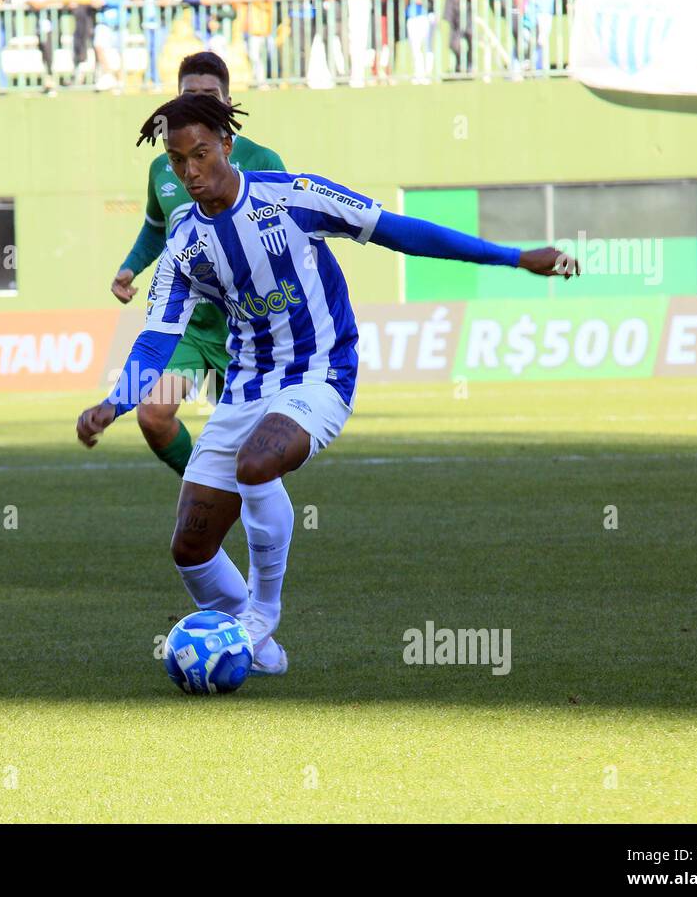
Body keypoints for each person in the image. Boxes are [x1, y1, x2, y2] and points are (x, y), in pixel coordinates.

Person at [78, 96, 577, 674]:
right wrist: (115, 403)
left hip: (320, 374)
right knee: (190, 550)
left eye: (201, 154)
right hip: (245, 388)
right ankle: (257, 650)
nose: (190, 171)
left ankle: (261, 615)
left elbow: (401, 231)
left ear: (227, 146)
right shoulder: (183, 245)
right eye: (178, 159)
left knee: (257, 462)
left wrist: (514, 257)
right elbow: (157, 336)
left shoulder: (293, 197)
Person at [111, 53, 285, 479]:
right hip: (186, 326)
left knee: (253, 455)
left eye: (210, 95)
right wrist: (131, 267)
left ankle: (242, 510)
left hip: (246, 328)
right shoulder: (161, 166)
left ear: (229, 100)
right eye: (191, 94)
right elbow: (157, 228)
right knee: (153, 414)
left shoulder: (262, 161)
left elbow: (286, 235)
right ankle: (203, 483)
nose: (201, 101)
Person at [134, 0, 174, 89]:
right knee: (150, 49)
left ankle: (155, 79)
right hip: (146, 19)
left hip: (160, 19)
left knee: (157, 49)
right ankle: (151, 78)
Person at [25, 0, 65, 93]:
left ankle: (52, 79)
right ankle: (48, 78)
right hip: (39, 24)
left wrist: (44, 3)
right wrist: (40, 4)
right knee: (43, 50)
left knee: (50, 50)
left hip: (52, 23)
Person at [89, 0, 127, 90]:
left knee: (120, 51)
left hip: (118, 21)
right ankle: (109, 76)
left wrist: (105, 1)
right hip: (103, 20)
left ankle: (121, 80)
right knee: (99, 46)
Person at [444, 0, 486, 75]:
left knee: (470, 36)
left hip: (469, 8)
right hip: (454, 8)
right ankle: (459, 64)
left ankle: (469, 66)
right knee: (454, 43)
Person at [235, 0, 275, 86]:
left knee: (263, 56)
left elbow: (269, 4)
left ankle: (265, 81)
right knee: (253, 56)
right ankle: (258, 80)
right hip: (248, 29)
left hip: (261, 29)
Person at [399, 0, 434, 83]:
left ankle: (428, 73)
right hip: (411, 14)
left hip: (425, 13)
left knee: (427, 45)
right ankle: (419, 73)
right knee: (415, 46)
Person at [66, 0, 95, 82]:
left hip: (90, 18)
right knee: (78, 43)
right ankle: (78, 71)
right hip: (79, 21)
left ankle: (94, 74)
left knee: (91, 44)